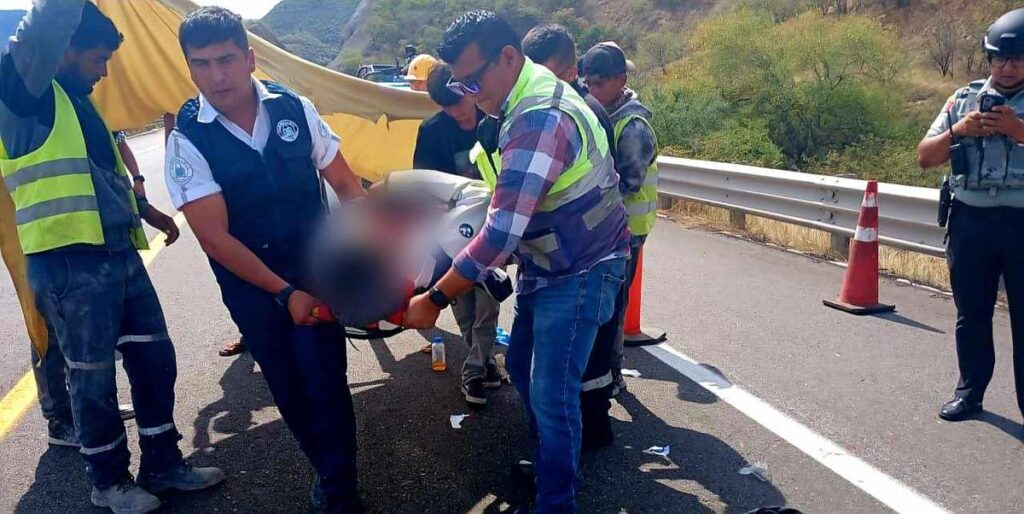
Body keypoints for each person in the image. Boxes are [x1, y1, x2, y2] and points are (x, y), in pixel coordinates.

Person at [0, 2, 224, 512]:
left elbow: (102, 176)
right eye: (97, 59)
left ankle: (163, 464)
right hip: (67, 262)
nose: (104, 71)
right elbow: (49, 22)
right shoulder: (24, 92)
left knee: (153, 361)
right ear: (61, 52)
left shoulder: (79, 104)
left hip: (117, 253)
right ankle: (108, 481)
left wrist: (147, 210)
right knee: (92, 378)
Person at [402, 11, 629, 512]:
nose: (468, 92)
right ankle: (554, 460)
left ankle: (557, 500)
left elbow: (501, 235)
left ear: (508, 56)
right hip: (548, 266)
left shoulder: (536, 117)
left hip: (581, 268)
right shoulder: (520, 90)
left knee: (552, 395)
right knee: (525, 373)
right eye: (459, 82)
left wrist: (434, 296)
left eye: (473, 79)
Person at [165, 7, 365, 512]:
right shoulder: (187, 139)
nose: (217, 75)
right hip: (253, 288)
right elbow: (215, 238)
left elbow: (345, 183)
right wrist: (283, 293)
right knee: (289, 388)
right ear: (189, 67)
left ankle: (341, 491)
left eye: (227, 60)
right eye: (202, 63)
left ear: (250, 58)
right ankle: (327, 469)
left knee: (326, 383)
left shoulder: (295, 109)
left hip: (315, 270)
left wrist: (365, 249)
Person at [917, 8, 1024, 423]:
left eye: (1016, 59)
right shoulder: (963, 99)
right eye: (999, 58)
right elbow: (925, 157)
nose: (1007, 67)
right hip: (971, 223)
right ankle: (970, 392)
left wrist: (1018, 131)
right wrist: (958, 131)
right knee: (972, 313)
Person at [522, 24, 621, 452]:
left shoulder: (582, 111)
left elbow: (606, 185)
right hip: (554, 260)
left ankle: (587, 436)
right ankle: (568, 444)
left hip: (592, 256)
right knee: (555, 369)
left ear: (569, 70)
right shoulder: (530, 111)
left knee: (586, 359)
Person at [413, 63, 501, 407]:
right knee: (462, 300)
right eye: (448, 107)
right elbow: (424, 184)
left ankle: (475, 368)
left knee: (488, 299)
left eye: (461, 101)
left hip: (494, 225)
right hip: (452, 229)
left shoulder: (493, 120)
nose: (460, 112)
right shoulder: (432, 131)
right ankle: (485, 361)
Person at [582, 41, 660, 395]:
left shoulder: (632, 127)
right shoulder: (606, 115)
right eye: (588, 83)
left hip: (627, 230)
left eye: (599, 84)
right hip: (609, 229)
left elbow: (628, 184)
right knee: (606, 302)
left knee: (613, 306)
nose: (592, 90)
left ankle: (612, 376)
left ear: (620, 80)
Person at [162, 113, 246, 357]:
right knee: (232, 279)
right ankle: (250, 333)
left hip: (245, 197)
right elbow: (171, 138)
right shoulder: (183, 120)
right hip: (213, 205)